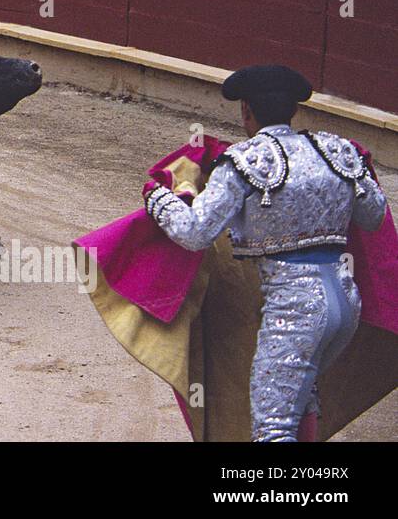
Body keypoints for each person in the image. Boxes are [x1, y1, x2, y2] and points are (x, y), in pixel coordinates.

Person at [143, 64, 387, 442]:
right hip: (345, 305)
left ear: (246, 112)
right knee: (303, 395)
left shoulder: (244, 161)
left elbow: (194, 233)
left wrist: (157, 197)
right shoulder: (337, 151)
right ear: (293, 109)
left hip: (294, 310)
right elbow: (372, 218)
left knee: (272, 429)